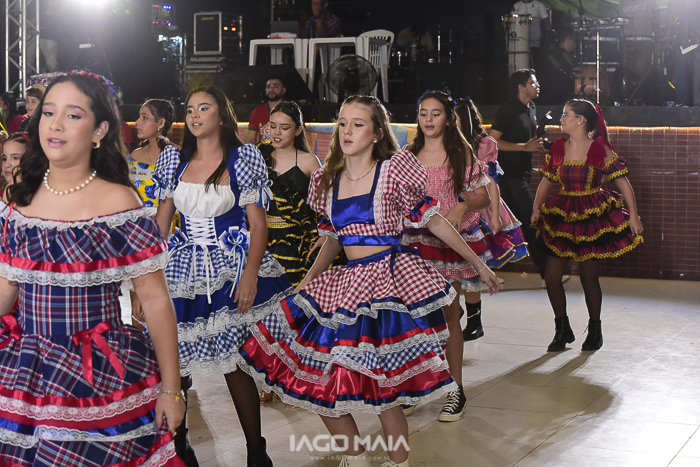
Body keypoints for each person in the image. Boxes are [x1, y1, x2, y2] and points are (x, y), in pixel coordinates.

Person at [240, 95, 499, 467]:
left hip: (385, 285)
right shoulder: (327, 180)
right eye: (343, 123)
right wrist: (307, 282)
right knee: (317, 378)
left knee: (383, 388)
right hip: (345, 285)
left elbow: (436, 221)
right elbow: (333, 239)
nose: (346, 131)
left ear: (377, 133)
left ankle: (399, 463)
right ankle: (355, 456)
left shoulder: (393, 172)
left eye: (357, 124)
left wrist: (479, 265)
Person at [0, 71, 185, 466]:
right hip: (27, 369)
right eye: (49, 112)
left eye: (73, 115)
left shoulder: (119, 202)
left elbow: (155, 299)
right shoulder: (20, 199)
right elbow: (6, 291)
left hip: (95, 372)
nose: (55, 124)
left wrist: (172, 389)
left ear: (100, 129)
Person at [151, 85, 292, 467]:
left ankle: (255, 451)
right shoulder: (173, 161)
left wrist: (249, 275)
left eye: (204, 108)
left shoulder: (242, 159)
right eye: (190, 109)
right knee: (173, 362)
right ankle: (179, 450)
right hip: (182, 268)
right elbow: (160, 228)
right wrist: (145, 281)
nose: (195, 115)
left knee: (235, 362)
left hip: (229, 265)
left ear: (221, 114)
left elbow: (258, 225)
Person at [403, 91, 493, 422]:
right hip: (413, 242)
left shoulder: (460, 153)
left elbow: (483, 197)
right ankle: (417, 385)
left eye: (435, 113)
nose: (428, 119)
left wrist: (462, 205)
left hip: (448, 245)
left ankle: (456, 389)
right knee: (414, 317)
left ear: (448, 118)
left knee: (448, 314)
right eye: (423, 113)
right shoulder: (407, 155)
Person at [531, 99, 644, 352]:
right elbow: (546, 181)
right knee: (552, 276)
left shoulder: (599, 148)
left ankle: (595, 329)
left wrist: (634, 216)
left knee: (588, 277)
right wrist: (536, 208)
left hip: (592, 215)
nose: (561, 119)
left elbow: (623, 183)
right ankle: (562, 328)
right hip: (562, 214)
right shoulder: (559, 147)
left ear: (580, 120)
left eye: (566, 115)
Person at [257, 101, 321, 403]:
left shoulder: (309, 161)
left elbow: (322, 207)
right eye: (273, 126)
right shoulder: (258, 157)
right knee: (264, 310)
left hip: (297, 244)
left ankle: (294, 376)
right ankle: (267, 376)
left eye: (285, 127)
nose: (277, 132)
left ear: (298, 130)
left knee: (293, 311)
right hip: (262, 240)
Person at [455, 99, 529, 341]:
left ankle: (474, 322)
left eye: (452, 118)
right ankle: (453, 308)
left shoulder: (483, 144)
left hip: (478, 209)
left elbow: (491, 182)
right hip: (450, 208)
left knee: (471, 267)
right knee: (448, 263)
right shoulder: (443, 144)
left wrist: (495, 215)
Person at [489, 69, 553, 287]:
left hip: (522, 174)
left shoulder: (531, 107)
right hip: (509, 176)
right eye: (533, 82)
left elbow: (525, 139)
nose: (538, 85)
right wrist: (523, 147)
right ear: (521, 87)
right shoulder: (508, 109)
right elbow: (492, 141)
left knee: (503, 224)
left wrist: (536, 144)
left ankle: (482, 272)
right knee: (531, 221)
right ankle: (547, 275)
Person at [128, 99, 181, 331]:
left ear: (160, 123)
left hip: (170, 238)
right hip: (139, 238)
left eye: (144, 117)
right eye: (139, 117)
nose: (137, 122)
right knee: (138, 310)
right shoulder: (133, 157)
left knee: (167, 309)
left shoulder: (177, 156)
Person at [539, 29, 578, 105]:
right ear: (569, 39)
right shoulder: (566, 57)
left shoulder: (550, 54)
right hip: (562, 97)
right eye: (574, 40)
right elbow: (574, 72)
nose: (575, 44)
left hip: (547, 96)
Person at [246, 78, 286, 145]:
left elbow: (301, 138)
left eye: (275, 86)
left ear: (283, 90)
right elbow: (250, 140)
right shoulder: (257, 112)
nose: (271, 89)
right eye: (268, 87)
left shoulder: (292, 111)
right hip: (264, 150)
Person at [512, 0, 551, 67]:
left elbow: (546, 21)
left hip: (534, 40)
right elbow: (511, 20)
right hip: (520, 41)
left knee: (535, 61)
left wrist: (548, 33)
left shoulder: (539, 5)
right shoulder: (516, 6)